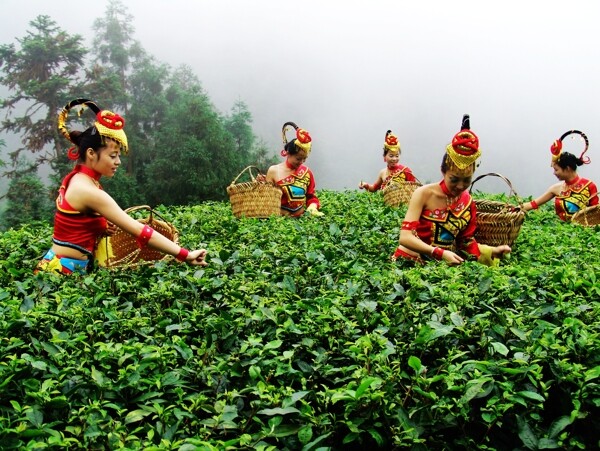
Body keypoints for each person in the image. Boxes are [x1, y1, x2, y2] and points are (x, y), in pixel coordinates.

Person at [36, 98, 208, 275]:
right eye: (112, 156)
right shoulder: (88, 191)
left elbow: (76, 223)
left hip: (58, 265)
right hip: (62, 272)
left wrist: (100, 225)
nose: (118, 162)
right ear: (91, 153)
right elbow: (140, 231)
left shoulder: (77, 178)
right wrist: (185, 254)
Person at [392, 114, 511, 266]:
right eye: (454, 180)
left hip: (442, 266)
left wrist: (492, 251)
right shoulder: (423, 194)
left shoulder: (467, 202)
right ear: (443, 171)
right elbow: (405, 237)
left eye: (467, 180)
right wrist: (438, 252)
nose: (460, 186)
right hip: (412, 259)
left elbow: (465, 243)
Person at [521, 130, 598, 221]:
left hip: (583, 231)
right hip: (561, 229)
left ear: (568, 168)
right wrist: (512, 209)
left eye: (556, 169)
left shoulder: (589, 186)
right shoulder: (555, 188)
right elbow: (533, 204)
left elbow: (596, 212)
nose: (554, 173)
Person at [264, 121, 324, 217]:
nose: (301, 162)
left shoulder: (306, 173)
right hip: (280, 222)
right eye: (298, 158)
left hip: (301, 221)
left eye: (304, 159)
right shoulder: (274, 171)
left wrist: (312, 207)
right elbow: (267, 200)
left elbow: (311, 197)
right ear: (288, 153)